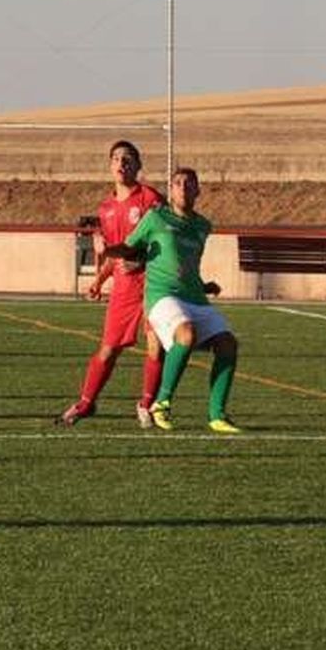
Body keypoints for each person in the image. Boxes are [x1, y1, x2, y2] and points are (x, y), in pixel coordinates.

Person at [98, 167, 240, 433]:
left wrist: (204, 285)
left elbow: (187, 265)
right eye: (177, 183)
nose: (183, 187)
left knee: (228, 344)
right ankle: (161, 403)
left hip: (193, 297)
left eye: (189, 183)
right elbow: (130, 247)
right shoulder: (155, 218)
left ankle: (217, 415)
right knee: (185, 335)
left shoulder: (202, 226)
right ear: (171, 191)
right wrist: (107, 249)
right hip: (161, 296)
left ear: (198, 190)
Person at [59, 140, 166, 427]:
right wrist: (99, 280)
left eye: (128, 158)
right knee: (108, 349)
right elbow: (111, 253)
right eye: (116, 158)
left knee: (155, 344)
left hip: (153, 281)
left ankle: (146, 404)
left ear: (138, 166)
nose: (122, 163)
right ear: (110, 166)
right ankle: (86, 402)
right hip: (124, 286)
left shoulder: (150, 199)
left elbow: (166, 239)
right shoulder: (106, 208)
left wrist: (143, 257)